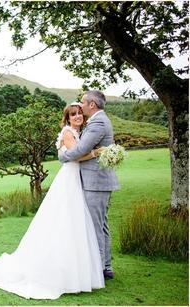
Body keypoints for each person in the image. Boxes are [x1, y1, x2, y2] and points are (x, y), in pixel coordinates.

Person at [0, 102, 105, 300]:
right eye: (73, 115)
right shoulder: (68, 132)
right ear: (68, 118)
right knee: (64, 218)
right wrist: (96, 153)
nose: (78, 117)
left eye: (80, 113)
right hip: (69, 179)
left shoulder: (80, 131)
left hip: (75, 178)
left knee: (74, 221)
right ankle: (60, 272)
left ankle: (75, 270)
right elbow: (76, 156)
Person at [59, 90, 120, 280]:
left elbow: (80, 150)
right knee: (101, 225)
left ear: (91, 105)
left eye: (83, 103)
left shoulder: (98, 122)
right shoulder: (96, 121)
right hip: (94, 181)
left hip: (96, 182)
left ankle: (100, 268)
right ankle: (105, 266)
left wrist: (62, 156)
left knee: (96, 227)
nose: (81, 106)